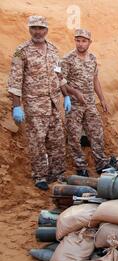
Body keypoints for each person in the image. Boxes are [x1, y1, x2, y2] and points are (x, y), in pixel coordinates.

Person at [7, 16, 84, 190]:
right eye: (34, 28)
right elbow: (15, 81)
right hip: (35, 105)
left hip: (54, 104)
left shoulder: (53, 50)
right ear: (29, 29)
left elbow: (59, 77)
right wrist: (17, 106)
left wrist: (66, 96)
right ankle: (40, 176)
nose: (38, 31)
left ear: (46, 30)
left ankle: (57, 174)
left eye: (41, 28)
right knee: (37, 142)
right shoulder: (22, 51)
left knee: (57, 140)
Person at [61, 28, 112, 177]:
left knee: (96, 132)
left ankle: (101, 163)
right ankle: (80, 166)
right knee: (74, 136)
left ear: (89, 42)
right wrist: (74, 93)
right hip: (74, 105)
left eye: (84, 41)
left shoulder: (92, 58)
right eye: (78, 40)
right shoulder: (67, 59)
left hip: (89, 103)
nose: (81, 44)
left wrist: (102, 99)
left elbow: (95, 79)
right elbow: (61, 82)